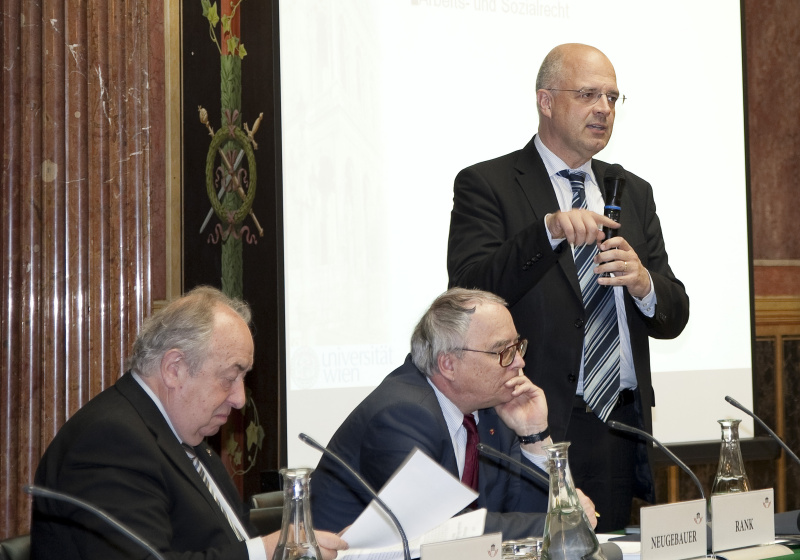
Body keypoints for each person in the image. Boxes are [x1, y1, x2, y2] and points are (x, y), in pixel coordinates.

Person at [447, 43, 690, 531]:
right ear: (546, 100)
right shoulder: (487, 183)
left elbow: (674, 313)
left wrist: (644, 284)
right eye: (588, 94)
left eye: (613, 98)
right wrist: (547, 232)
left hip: (615, 425)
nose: (604, 108)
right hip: (531, 425)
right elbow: (468, 293)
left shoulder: (633, 192)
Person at [31, 286, 348, 560]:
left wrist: (298, 543)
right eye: (229, 377)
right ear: (174, 368)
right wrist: (264, 552)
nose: (239, 398)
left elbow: (228, 539)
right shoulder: (108, 441)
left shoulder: (189, 440)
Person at [310, 288, 596, 539]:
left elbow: (527, 512)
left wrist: (535, 434)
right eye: (502, 351)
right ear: (448, 364)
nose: (519, 361)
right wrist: (562, 521)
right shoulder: (401, 415)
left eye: (517, 346)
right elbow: (442, 532)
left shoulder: (493, 410)